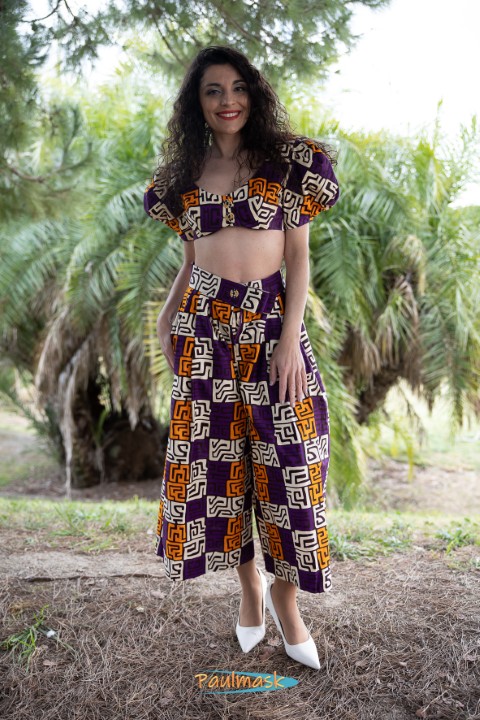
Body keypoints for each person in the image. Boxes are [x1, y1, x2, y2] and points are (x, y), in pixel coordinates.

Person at [144, 45, 339, 671]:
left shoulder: (291, 164)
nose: (227, 101)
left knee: (291, 465)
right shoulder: (182, 178)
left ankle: (287, 600)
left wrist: (290, 338)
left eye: (237, 88)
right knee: (222, 471)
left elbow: (298, 259)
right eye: (212, 91)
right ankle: (249, 589)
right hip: (204, 333)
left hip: (272, 329)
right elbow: (191, 261)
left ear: (253, 94)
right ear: (196, 103)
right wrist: (167, 316)